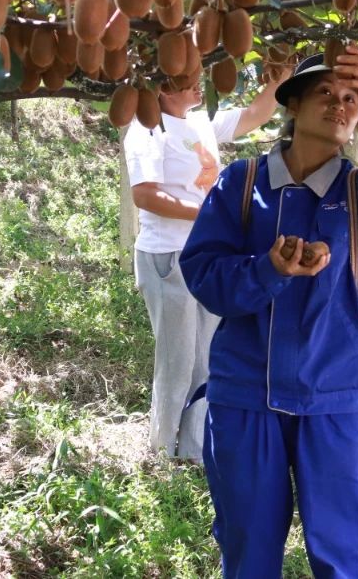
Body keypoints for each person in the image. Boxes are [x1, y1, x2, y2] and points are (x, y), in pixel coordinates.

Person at [180, 47, 358, 578]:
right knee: (248, 551)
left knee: (342, 555)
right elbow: (204, 275)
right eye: (324, 93)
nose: (340, 105)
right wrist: (267, 270)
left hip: (333, 399)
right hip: (245, 396)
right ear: (292, 106)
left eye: (351, 98)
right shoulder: (241, 182)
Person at [124, 69, 290, 462]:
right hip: (168, 256)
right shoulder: (147, 130)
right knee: (176, 361)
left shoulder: (200, 120)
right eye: (188, 78)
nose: (201, 81)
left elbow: (253, 115)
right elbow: (145, 195)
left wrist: (280, 78)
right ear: (162, 88)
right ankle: (163, 453)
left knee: (206, 359)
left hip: (205, 258)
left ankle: (194, 451)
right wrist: (207, 212)